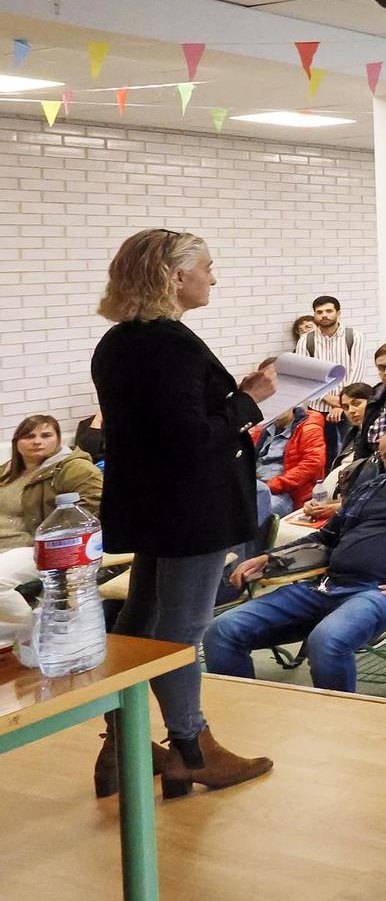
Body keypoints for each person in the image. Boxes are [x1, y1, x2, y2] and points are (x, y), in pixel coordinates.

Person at [91, 228, 277, 796]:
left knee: (141, 620)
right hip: (188, 508)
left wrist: (231, 398)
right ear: (175, 277)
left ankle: (119, 745)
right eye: (208, 267)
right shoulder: (170, 344)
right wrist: (248, 402)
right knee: (180, 628)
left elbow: (163, 426)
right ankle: (192, 747)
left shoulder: (119, 343)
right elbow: (190, 441)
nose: (213, 277)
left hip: (151, 503)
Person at [206, 424, 386, 694]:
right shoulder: (370, 488)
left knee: (328, 639)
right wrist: (269, 557)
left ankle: (337, 725)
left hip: (385, 592)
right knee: (222, 630)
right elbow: (324, 537)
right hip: (328, 585)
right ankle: (242, 708)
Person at [0, 415, 102, 591]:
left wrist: (53, 537)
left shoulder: (73, 468)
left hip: (36, 547)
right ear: (16, 442)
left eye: (46, 435)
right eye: (29, 436)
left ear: (58, 439)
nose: (37, 441)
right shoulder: (7, 471)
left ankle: (30, 620)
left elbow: (90, 508)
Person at [296, 293, 363, 415]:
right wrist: (326, 397)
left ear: (338, 313)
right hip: (317, 407)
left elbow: (357, 370)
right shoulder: (305, 340)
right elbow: (303, 375)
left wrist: (342, 402)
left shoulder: (354, 336)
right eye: (319, 312)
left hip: (349, 407)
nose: (324, 315)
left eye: (329, 311)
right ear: (315, 315)